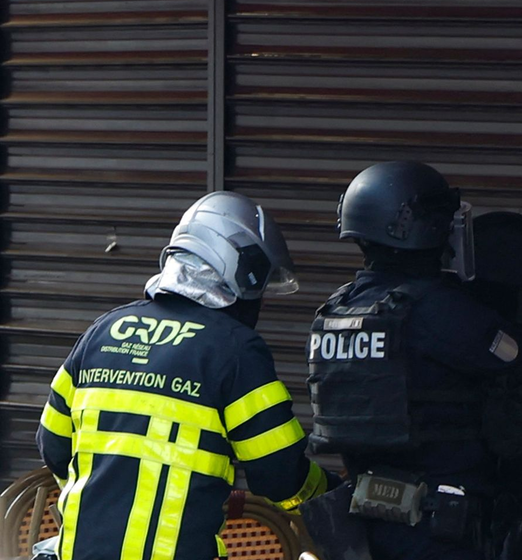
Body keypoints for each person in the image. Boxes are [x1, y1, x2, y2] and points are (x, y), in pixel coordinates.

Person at [303, 161, 522, 560]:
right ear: (421, 226)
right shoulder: (435, 311)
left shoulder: (336, 311)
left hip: (365, 525)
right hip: (439, 529)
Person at [36, 191, 337, 560]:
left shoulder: (105, 330)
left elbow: (53, 446)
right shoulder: (235, 350)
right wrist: (331, 494)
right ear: (240, 269)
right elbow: (278, 473)